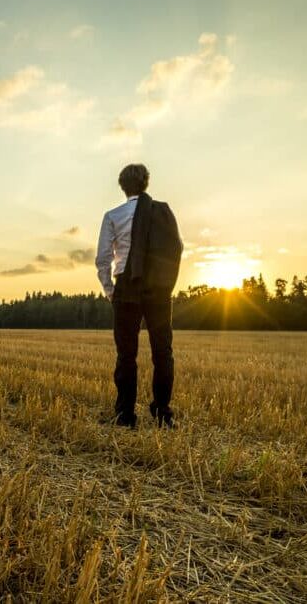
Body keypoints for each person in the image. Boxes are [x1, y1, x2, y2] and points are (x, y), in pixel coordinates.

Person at [95, 164, 183, 429]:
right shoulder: (163, 212)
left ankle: (125, 416)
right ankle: (162, 413)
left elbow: (102, 259)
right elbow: (176, 247)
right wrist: (166, 285)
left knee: (126, 354)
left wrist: (111, 290)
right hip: (158, 287)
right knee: (163, 352)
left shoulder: (113, 215)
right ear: (146, 183)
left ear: (122, 186)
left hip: (126, 287)